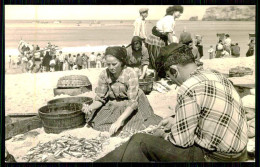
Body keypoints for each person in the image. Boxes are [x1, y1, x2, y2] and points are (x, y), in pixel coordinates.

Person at [96, 44, 248, 162]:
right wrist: (176, 119)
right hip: (239, 154)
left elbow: (181, 141)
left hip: (214, 158)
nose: (174, 83)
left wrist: (161, 135)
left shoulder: (189, 87)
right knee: (134, 145)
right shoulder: (215, 75)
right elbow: (208, 111)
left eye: (170, 78)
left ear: (174, 70)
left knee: (139, 141)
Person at [82, 46, 161, 136]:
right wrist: (90, 108)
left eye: (114, 64)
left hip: (133, 103)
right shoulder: (104, 74)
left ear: (122, 62)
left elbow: (132, 103)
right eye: (108, 64)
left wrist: (119, 120)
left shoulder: (130, 73)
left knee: (133, 126)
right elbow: (100, 99)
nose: (111, 67)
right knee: (98, 123)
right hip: (115, 102)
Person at [146, 5, 183, 80]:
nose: (180, 14)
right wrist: (173, 46)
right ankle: (158, 78)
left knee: (156, 59)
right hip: (157, 40)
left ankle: (157, 77)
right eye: (179, 12)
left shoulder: (169, 18)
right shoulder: (169, 19)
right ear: (173, 11)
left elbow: (169, 33)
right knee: (158, 59)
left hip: (154, 39)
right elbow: (168, 33)